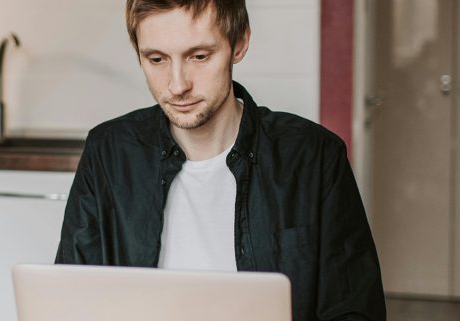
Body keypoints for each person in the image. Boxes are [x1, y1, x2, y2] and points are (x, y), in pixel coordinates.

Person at [54, 0, 386, 320]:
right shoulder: (108, 151)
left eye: (199, 56)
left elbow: (354, 309)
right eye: (156, 59)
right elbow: (70, 299)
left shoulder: (313, 156)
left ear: (239, 43)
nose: (177, 84)